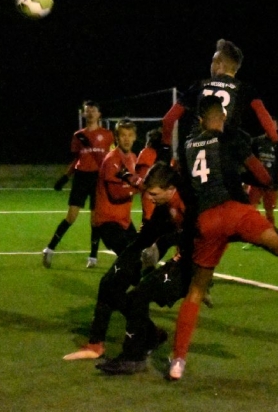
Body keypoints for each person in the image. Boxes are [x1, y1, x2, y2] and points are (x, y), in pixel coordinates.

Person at [167, 95, 278, 381]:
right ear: (223, 117)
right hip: (236, 213)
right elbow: (262, 177)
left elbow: (185, 189)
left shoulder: (187, 146)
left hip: (207, 221)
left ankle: (178, 361)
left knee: (196, 291)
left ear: (200, 120)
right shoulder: (231, 139)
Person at [70, 162, 192, 375]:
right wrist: (131, 256)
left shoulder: (190, 203)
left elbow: (197, 236)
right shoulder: (165, 204)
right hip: (177, 257)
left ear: (171, 189)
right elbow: (149, 233)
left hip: (191, 264)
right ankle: (97, 344)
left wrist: (162, 245)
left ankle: (133, 357)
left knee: (138, 296)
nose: (149, 198)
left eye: (154, 193)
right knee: (110, 283)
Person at [159, 39, 278, 165]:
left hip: (194, 153)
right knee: (245, 144)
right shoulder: (244, 88)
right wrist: (277, 142)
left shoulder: (199, 85)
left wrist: (165, 147)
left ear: (219, 64)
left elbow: (168, 119)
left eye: (213, 61)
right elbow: (263, 115)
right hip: (225, 152)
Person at [43, 100, 114, 269]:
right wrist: (65, 177)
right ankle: (50, 249)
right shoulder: (78, 135)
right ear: (83, 113)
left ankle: (93, 256)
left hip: (98, 178)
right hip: (81, 177)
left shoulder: (108, 135)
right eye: (87, 110)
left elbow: (111, 159)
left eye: (93, 110)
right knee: (71, 217)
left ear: (99, 114)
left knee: (95, 220)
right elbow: (77, 159)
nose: (90, 113)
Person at [90, 120, 141, 259]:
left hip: (124, 220)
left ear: (135, 137)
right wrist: (138, 188)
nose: (127, 139)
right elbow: (115, 194)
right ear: (116, 138)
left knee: (136, 258)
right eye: (123, 135)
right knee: (129, 259)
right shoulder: (112, 159)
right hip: (108, 221)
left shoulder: (133, 158)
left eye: (130, 135)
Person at [247, 116, 278, 226]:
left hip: (272, 184)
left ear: (277, 127)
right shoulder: (256, 141)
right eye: (269, 124)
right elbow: (249, 160)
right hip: (256, 183)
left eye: (273, 125)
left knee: (270, 212)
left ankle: (271, 231)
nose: (270, 126)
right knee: (251, 208)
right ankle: (252, 230)